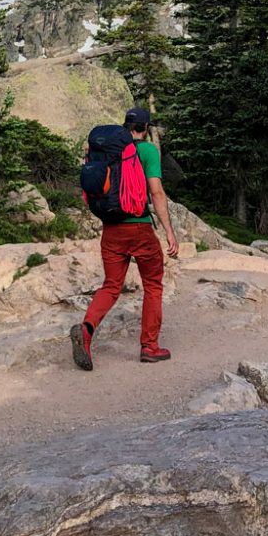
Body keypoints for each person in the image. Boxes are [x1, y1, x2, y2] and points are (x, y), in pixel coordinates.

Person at [71, 107, 179, 370]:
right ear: (146, 127)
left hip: (111, 228)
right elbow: (156, 193)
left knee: (111, 286)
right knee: (153, 285)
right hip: (139, 228)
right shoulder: (147, 151)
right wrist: (169, 232)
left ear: (126, 125)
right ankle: (150, 347)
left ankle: (86, 330)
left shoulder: (110, 150)